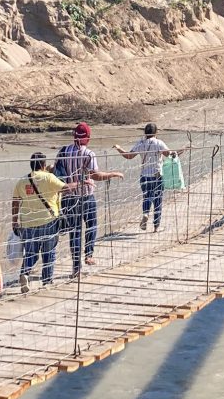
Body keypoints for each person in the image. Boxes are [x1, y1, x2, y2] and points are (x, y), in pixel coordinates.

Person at [55, 122, 124, 278]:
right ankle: (89, 254)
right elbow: (95, 175)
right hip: (86, 195)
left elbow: (56, 171)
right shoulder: (89, 154)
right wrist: (112, 173)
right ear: (88, 138)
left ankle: (76, 268)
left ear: (74, 136)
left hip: (68, 197)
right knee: (92, 224)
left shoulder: (63, 151)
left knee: (75, 231)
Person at [11, 152, 76, 293]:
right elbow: (66, 188)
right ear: (43, 165)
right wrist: (81, 182)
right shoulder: (49, 177)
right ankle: (47, 281)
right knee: (49, 252)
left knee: (30, 253)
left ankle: (25, 273)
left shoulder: (22, 181)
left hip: (28, 223)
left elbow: (15, 202)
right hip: (48, 221)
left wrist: (14, 221)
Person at [115, 123, 182, 232]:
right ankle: (156, 226)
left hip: (144, 176)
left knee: (147, 197)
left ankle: (146, 213)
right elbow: (169, 154)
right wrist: (182, 150)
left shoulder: (140, 143)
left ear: (145, 132)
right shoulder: (159, 143)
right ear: (156, 132)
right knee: (158, 201)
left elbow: (129, 156)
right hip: (157, 176)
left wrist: (119, 148)